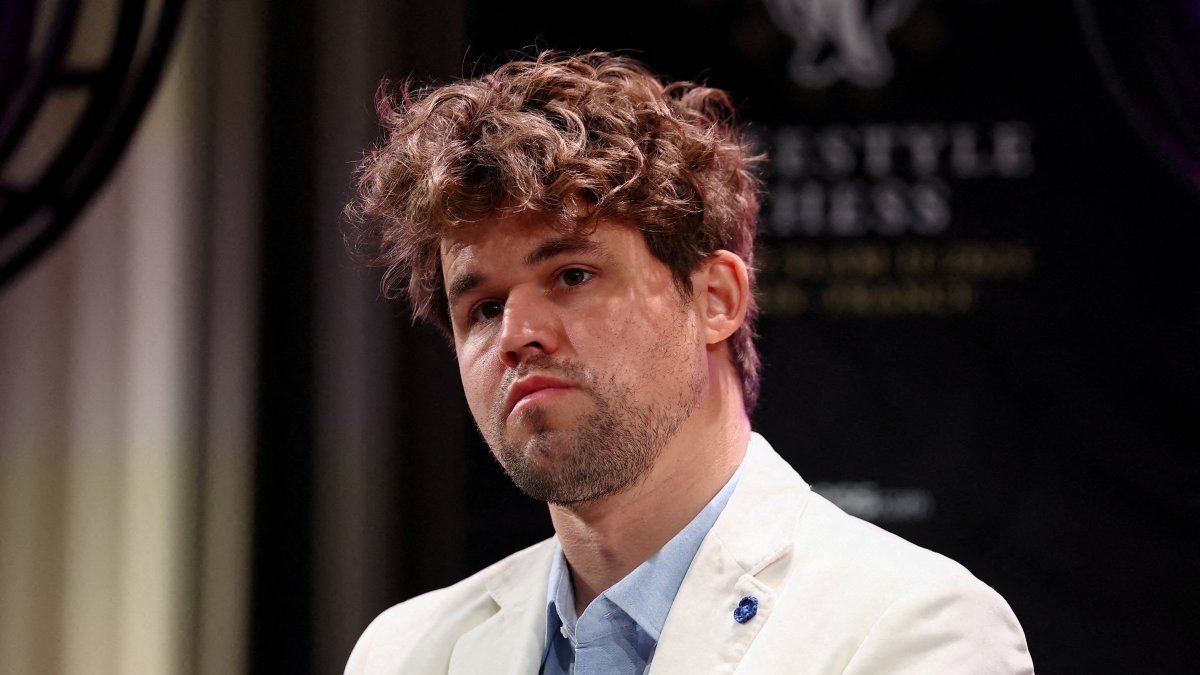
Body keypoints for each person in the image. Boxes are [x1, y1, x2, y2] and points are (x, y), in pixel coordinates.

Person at [343, 51, 1033, 674]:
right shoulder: (403, 652)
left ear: (716, 297)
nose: (518, 333)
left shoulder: (917, 628)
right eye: (484, 309)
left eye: (573, 275)